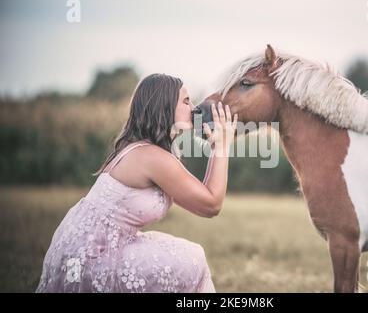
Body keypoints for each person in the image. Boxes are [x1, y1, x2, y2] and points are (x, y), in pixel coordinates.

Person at [36, 73, 237, 292]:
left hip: (96, 246)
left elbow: (203, 199)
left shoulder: (147, 150)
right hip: (92, 255)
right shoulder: (151, 157)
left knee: (184, 253)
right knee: (193, 259)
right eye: (186, 101)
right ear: (165, 106)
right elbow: (211, 204)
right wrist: (223, 146)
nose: (194, 108)